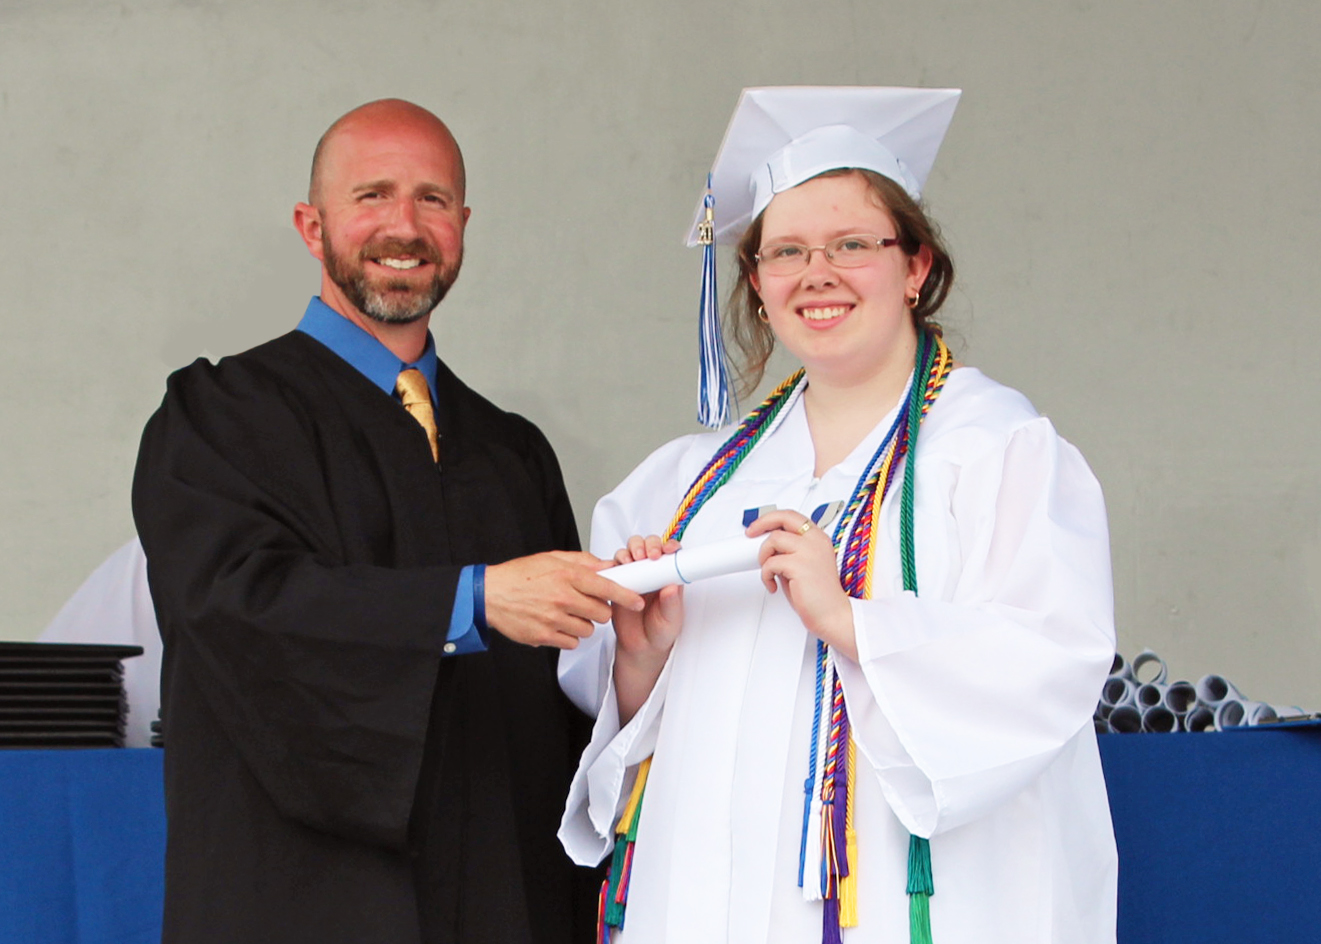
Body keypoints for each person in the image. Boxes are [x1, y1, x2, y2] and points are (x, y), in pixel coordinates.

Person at [558, 87, 1118, 944]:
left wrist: (852, 620)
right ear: (753, 280)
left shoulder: (996, 448)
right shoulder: (686, 482)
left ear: (915, 266)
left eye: (852, 244)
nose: (815, 275)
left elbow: (1050, 663)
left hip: (913, 901)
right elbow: (615, 712)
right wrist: (639, 663)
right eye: (784, 252)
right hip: (706, 898)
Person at [133, 98, 640, 944]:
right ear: (311, 223)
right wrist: (470, 603)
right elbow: (235, 604)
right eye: (371, 195)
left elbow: (562, 707)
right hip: (297, 899)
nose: (403, 226)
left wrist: (636, 652)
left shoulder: (510, 451)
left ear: (463, 225)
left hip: (500, 895)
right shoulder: (219, 417)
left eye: (432, 200)